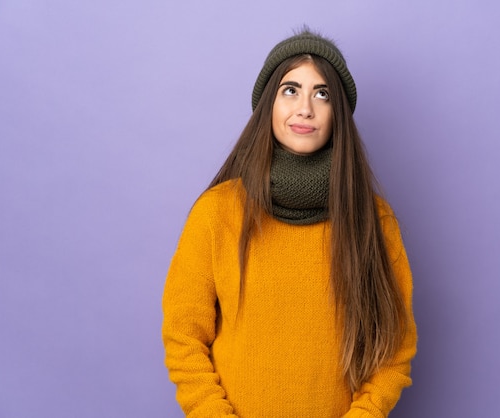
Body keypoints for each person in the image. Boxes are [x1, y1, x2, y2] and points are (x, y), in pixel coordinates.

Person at [162, 28, 417, 418]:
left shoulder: (374, 221)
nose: (305, 109)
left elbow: (394, 349)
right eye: (290, 90)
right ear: (270, 104)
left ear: (338, 115)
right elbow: (183, 339)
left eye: (322, 94)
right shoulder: (216, 213)